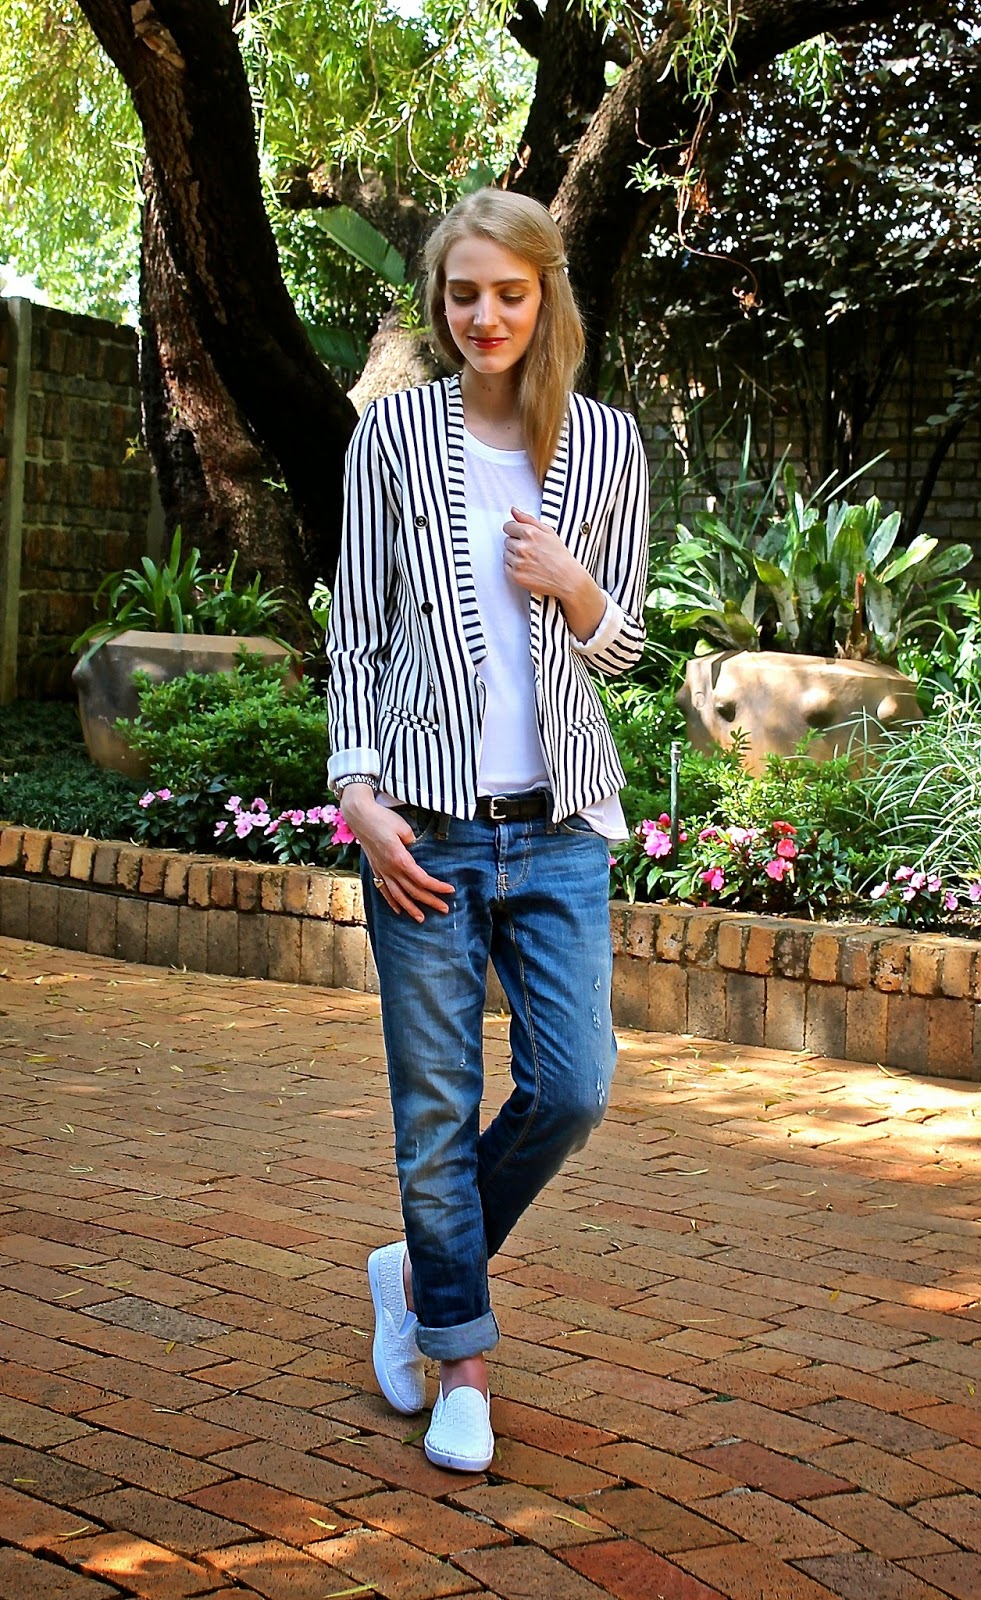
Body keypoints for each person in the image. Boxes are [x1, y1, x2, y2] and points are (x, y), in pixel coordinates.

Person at [326, 188, 649, 1473]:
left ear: (545, 294)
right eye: (463, 293)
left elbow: (622, 648)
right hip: (424, 824)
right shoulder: (394, 435)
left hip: (559, 823)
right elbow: (357, 631)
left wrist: (574, 587)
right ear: (439, 299)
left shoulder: (608, 443)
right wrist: (356, 791)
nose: (485, 315)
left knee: (574, 1086)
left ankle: (417, 1266)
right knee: (436, 1108)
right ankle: (458, 1362)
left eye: (509, 292)